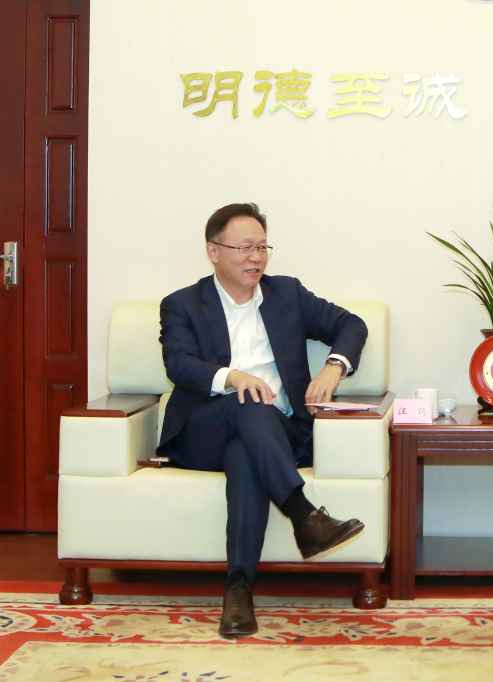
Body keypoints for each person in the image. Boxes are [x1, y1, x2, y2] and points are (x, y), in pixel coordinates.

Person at [157, 202, 368, 638]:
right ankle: (303, 513)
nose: (256, 258)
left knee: (246, 453)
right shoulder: (182, 304)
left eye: (262, 248)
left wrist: (333, 367)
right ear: (213, 251)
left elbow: (351, 324)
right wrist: (233, 377)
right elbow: (178, 364)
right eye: (245, 248)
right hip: (203, 431)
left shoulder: (287, 294)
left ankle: (238, 590)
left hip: (278, 434)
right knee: (249, 401)